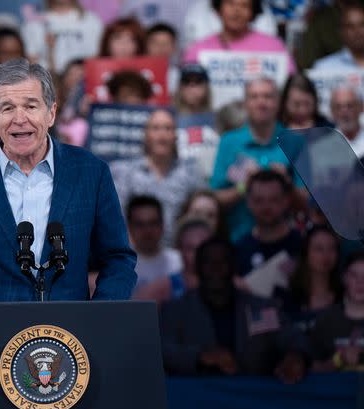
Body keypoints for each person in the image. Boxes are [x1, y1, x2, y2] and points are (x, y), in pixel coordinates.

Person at [0, 58, 136, 301]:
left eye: (30, 106)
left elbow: (118, 259)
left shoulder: (91, 172)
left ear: (51, 113)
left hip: (68, 333)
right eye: (8, 108)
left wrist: (98, 316)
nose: (20, 119)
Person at [160, 237, 308, 382]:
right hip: (197, 402)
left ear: (234, 266)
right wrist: (200, 357)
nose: (215, 267)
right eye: (208, 261)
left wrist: (296, 356)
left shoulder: (261, 308)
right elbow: (162, 351)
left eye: (223, 261)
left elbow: (294, 338)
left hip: (254, 400)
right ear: (197, 268)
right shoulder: (176, 310)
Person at [210, 77, 305, 242]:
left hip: (286, 244)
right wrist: (243, 187)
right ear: (246, 103)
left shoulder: (295, 142)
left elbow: (308, 202)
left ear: (278, 103)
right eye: (254, 97)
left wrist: (286, 184)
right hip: (238, 242)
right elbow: (216, 199)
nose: (261, 103)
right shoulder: (229, 142)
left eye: (268, 97)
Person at [111, 108, 204, 244]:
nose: (162, 135)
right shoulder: (126, 173)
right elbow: (116, 217)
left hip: (175, 254)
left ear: (175, 136)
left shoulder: (190, 174)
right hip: (135, 253)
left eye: (168, 128)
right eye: (156, 128)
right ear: (146, 135)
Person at [183, 0, 295, 74]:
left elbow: (290, 83)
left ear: (253, 12)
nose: (236, 11)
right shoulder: (198, 50)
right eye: (230, 3)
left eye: (244, 5)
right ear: (218, 9)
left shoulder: (274, 47)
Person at [235, 170, 302, 281]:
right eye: (259, 200)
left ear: (286, 201)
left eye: (273, 200)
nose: (266, 207)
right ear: (248, 202)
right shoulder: (239, 249)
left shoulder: (303, 247)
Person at [134, 217, 213, 303]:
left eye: (203, 248)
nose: (198, 254)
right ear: (179, 249)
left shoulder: (227, 287)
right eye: (190, 248)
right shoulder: (157, 291)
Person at [280, 226, 341, 335]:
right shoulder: (289, 299)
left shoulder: (345, 296)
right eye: (319, 249)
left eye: (332, 248)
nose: (326, 255)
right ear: (306, 253)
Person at [310, 251, 364, 372]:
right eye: (354, 275)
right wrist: (338, 359)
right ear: (344, 278)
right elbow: (311, 368)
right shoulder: (326, 321)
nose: (361, 282)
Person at [21, 0, 103, 74]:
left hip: (82, 83)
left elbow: (95, 57)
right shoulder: (33, 23)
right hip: (47, 83)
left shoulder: (91, 20)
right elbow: (32, 61)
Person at [127, 195, 183, 293]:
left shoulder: (179, 262)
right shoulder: (122, 265)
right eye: (140, 224)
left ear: (162, 225)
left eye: (153, 223)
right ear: (129, 227)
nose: (147, 231)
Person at [311, 3, 364, 71]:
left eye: (362, 25)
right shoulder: (324, 67)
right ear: (341, 31)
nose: (357, 31)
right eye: (350, 26)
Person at [329, 85, 364, 158]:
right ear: (332, 111)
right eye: (338, 107)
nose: (344, 112)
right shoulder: (324, 147)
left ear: (360, 107)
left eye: (350, 106)